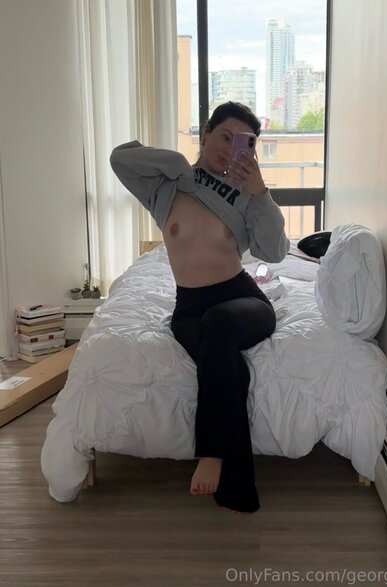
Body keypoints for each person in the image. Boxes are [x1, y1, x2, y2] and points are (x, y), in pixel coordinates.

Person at [110, 101, 289, 513]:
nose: (229, 148)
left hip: (243, 298)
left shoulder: (247, 196)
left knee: (221, 325)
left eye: (242, 143)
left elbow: (275, 251)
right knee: (230, 366)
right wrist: (177, 163)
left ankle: (210, 453)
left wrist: (261, 193)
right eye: (224, 136)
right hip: (190, 307)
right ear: (205, 133)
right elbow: (120, 159)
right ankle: (238, 490)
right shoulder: (168, 185)